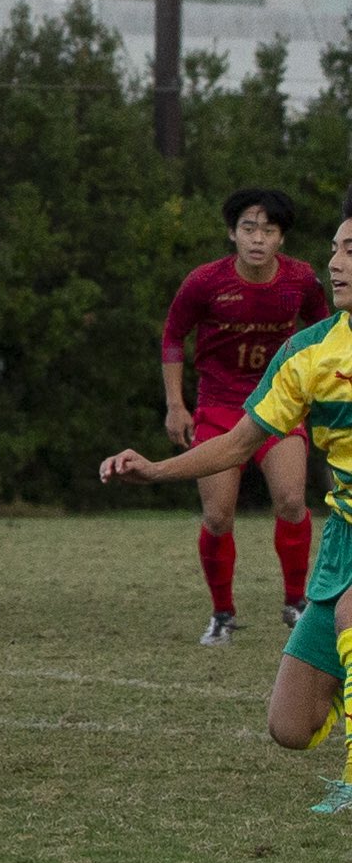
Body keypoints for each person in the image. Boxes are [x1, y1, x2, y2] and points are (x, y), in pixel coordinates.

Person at [105, 210, 352, 812]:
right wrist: (156, 470)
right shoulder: (310, 352)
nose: (336, 264)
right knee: (290, 727)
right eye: (335, 249)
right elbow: (241, 443)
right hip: (343, 539)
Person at [160, 187, 329, 644]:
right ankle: (222, 613)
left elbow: (324, 331)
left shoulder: (301, 279)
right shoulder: (205, 281)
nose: (258, 239)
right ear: (232, 233)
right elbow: (174, 335)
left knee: (291, 500)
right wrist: (176, 404)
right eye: (248, 228)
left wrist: (322, 388)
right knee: (218, 516)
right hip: (218, 406)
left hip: (279, 402)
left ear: (281, 238)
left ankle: (296, 603)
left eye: (268, 230)